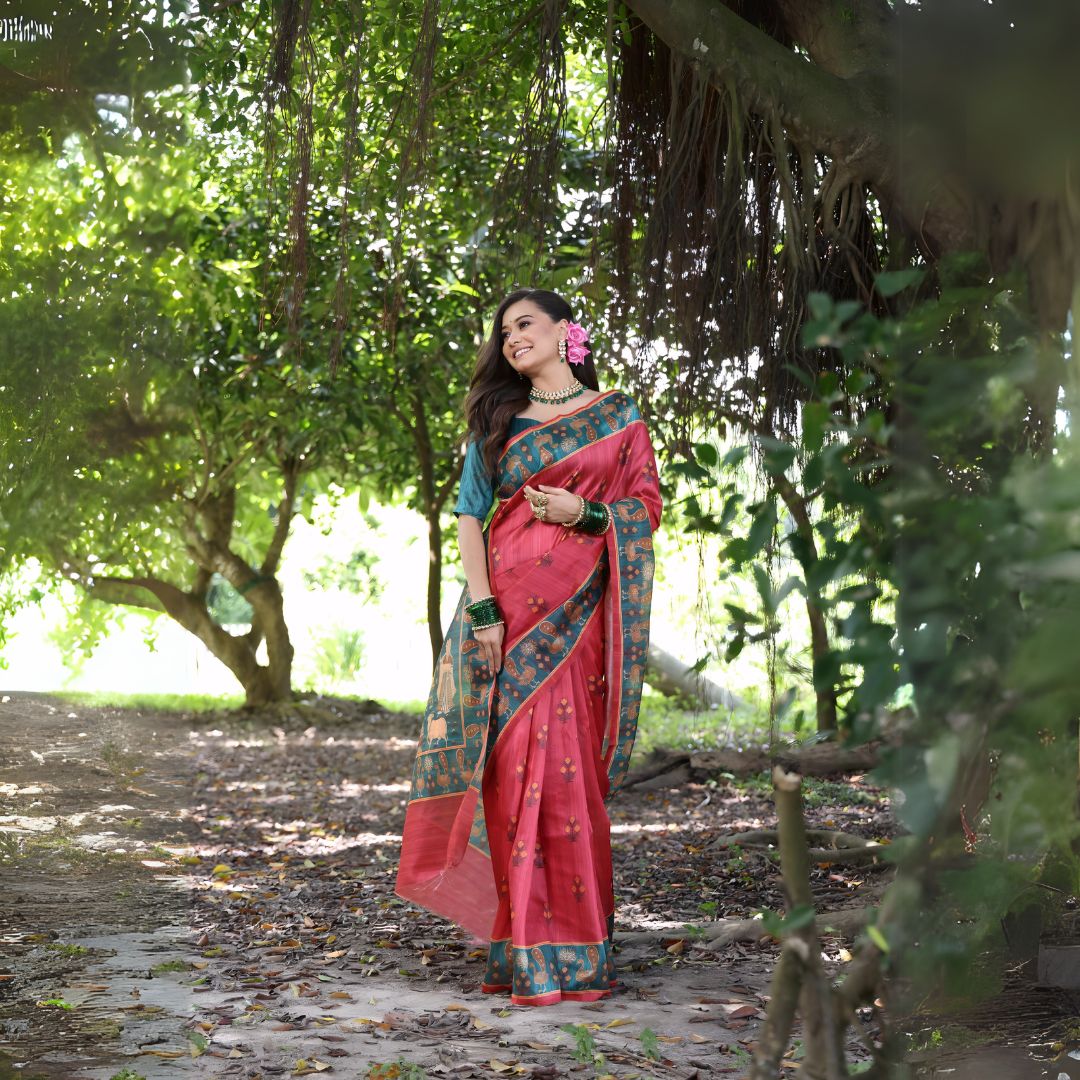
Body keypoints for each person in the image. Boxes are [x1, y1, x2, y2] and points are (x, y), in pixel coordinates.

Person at [395, 287, 662, 1006]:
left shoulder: (619, 417)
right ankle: (519, 949)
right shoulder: (498, 421)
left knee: (571, 776)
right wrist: (483, 608)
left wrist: (587, 511)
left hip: (578, 624)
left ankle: (574, 952)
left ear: (564, 332)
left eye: (525, 325)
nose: (511, 339)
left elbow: (646, 508)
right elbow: (469, 518)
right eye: (503, 331)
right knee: (510, 774)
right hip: (507, 620)